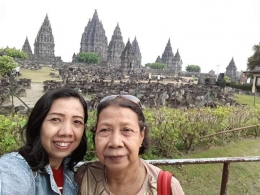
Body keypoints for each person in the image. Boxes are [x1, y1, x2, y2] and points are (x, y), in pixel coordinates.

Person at [76, 95, 184, 195]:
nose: (115, 142)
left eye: (127, 130)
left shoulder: (167, 187)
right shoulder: (83, 178)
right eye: (105, 130)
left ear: (142, 135)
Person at [0, 88, 88, 195]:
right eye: (55, 119)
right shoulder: (14, 169)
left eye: (77, 121)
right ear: (38, 124)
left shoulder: (74, 175)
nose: (66, 132)